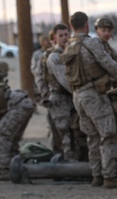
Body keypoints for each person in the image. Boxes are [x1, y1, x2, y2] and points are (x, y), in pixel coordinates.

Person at [62, 11, 117, 189]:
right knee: (108, 134)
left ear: (72, 26)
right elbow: (108, 63)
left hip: (78, 96)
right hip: (94, 95)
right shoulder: (91, 43)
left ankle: (97, 175)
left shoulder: (69, 45)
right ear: (87, 25)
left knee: (93, 137)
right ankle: (110, 176)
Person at [0, 88, 35, 181]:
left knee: (0, 136)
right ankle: (15, 163)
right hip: (26, 103)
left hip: (18, 106)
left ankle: (5, 169)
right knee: (12, 137)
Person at [45, 23, 76, 161]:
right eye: (61, 35)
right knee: (64, 135)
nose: (64, 38)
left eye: (66, 34)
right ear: (55, 38)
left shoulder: (71, 53)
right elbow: (65, 81)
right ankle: (66, 166)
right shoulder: (54, 57)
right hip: (60, 100)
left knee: (74, 132)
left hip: (71, 98)